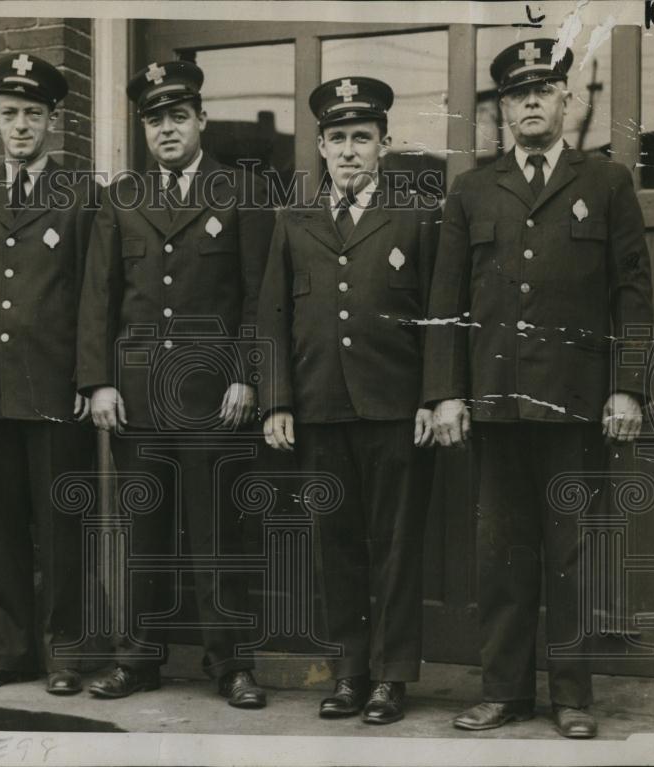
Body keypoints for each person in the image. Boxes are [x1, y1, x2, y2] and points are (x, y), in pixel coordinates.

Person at [424, 38, 653, 739]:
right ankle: (503, 690)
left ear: (566, 100)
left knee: (573, 553)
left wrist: (628, 388)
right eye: (515, 93)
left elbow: (632, 294)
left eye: (543, 89)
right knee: (500, 553)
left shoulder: (606, 183)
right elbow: (447, 297)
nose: (529, 102)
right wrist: (446, 392)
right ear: (501, 109)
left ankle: (574, 695)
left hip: (576, 404)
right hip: (494, 402)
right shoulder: (472, 189)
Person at [77, 60, 274, 708]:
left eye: (177, 116)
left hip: (214, 397)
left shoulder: (241, 190)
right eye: (155, 119)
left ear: (201, 120)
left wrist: (248, 375)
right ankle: (138, 658)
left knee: (220, 534)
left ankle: (232, 663)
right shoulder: (123, 197)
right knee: (143, 534)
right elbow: (97, 299)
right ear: (144, 128)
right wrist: (99, 382)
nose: (166, 129)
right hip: (137, 398)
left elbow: (258, 298)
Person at [258, 76, 437, 724]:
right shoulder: (296, 220)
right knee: (334, 546)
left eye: (363, 137)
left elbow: (440, 316)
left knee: (394, 545)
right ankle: (348, 672)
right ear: (322, 148)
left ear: (384, 145)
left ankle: (392, 677)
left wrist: (434, 395)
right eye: (338, 138)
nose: (350, 150)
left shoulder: (416, 216)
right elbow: (272, 316)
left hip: (394, 409)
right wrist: (277, 400)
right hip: (321, 408)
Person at [0, 53, 98, 694]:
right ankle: (11, 653)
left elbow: (95, 295)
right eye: (10, 114)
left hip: (56, 388)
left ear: (53, 122)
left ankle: (66, 653)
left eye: (33, 115)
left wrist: (90, 378)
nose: (21, 126)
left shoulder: (83, 195)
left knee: (61, 523)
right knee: (1, 522)